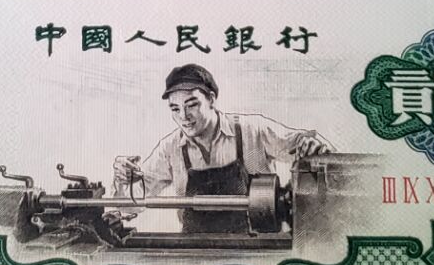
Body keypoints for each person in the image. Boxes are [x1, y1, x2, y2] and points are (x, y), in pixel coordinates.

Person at [113, 64, 334, 234]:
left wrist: (314, 149)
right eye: (175, 109)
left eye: (192, 105)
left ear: (211, 99)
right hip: (195, 248)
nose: (184, 117)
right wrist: (125, 180)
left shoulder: (252, 130)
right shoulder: (170, 148)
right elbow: (133, 204)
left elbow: (310, 147)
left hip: (258, 248)